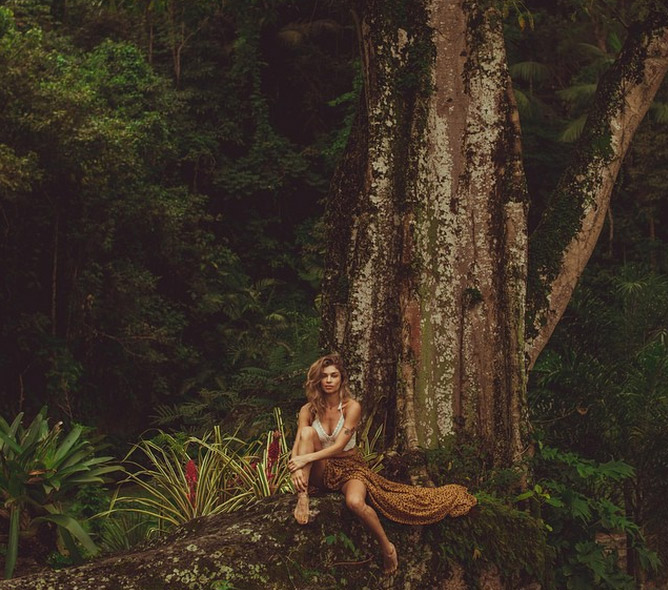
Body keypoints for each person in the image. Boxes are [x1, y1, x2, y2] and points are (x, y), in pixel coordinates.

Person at [288, 353, 477, 575]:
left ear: (342, 379)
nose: (329, 381)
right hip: (320, 469)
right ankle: (303, 498)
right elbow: (300, 441)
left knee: (356, 503)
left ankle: (387, 549)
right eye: (324, 376)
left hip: (349, 467)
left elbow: (339, 446)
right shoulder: (308, 410)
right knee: (309, 432)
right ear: (318, 381)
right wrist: (296, 465)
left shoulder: (351, 407)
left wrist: (305, 459)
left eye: (334, 376)